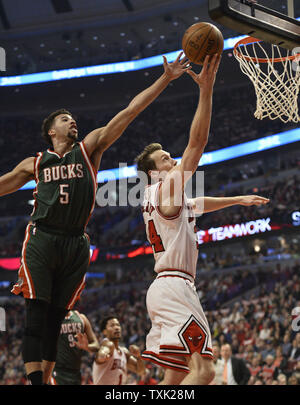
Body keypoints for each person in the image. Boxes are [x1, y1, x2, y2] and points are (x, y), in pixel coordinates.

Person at [0, 52, 190, 385]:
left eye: (73, 118)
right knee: (37, 313)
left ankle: (43, 379)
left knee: (58, 317)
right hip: (42, 236)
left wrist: (166, 78)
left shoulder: (89, 148)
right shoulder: (36, 163)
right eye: (64, 119)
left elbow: (130, 111)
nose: (72, 121)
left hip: (76, 240)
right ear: (50, 131)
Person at [135, 53, 269, 385]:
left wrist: (239, 198)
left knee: (177, 377)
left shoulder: (161, 197)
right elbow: (198, 143)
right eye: (166, 158)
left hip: (166, 287)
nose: (172, 158)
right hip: (176, 286)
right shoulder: (165, 187)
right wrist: (206, 90)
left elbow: (198, 204)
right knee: (205, 372)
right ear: (154, 172)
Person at [49, 309, 99, 385]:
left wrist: (87, 347)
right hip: (57, 371)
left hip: (76, 372)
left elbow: (96, 345)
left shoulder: (81, 318)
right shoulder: (50, 318)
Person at [92, 316, 145, 385]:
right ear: (104, 332)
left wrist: (138, 356)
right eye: (112, 325)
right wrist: (102, 355)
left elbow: (140, 371)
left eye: (118, 325)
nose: (116, 328)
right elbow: (102, 352)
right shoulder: (108, 344)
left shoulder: (124, 352)